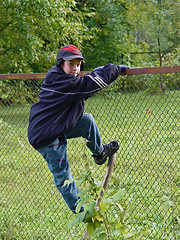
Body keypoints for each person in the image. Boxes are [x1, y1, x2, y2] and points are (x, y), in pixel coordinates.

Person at [28, 44, 130, 214]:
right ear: (61, 64)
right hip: (46, 136)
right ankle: (84, 214)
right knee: (64, 178)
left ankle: (100, 153)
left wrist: (102, 70)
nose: (76, 68)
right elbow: (88, 84)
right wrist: (115, 69)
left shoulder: (63, 79)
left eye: (78, 64)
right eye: (71, 64)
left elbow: (83, 85)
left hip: (55, 126)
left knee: (87, 120)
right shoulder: (60, 82)